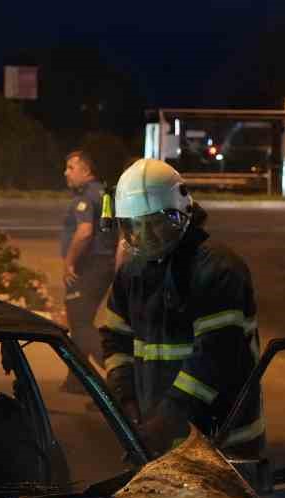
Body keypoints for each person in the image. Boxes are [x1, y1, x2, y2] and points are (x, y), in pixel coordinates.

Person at [98, 158, 264, 459]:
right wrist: (126, 399)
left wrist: (163, 423)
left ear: (184, 213)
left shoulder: (218, 269)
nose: (148, 236)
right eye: (136, 227)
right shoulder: (132, 273)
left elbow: (214, 360)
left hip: (224, 447)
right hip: (160, 445)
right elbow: (115, 338)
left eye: (158, 223)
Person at [59, 149, 117, 388]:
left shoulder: (85, 198)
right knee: (81, 319)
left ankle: (118, 375)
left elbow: (84, 233)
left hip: (90, 265)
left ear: (86, 170)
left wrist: (68, 262)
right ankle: (77, 381)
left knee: (80, 322)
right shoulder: (103, 194)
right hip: (103, 264)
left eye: (71, 168)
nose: (66, 173)